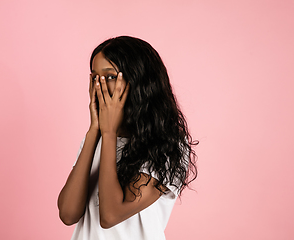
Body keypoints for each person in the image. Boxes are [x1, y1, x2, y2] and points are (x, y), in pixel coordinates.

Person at [57, 36, 198, 240]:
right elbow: (68, 214)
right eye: (95, 77)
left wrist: (108, 133)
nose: (100, 86)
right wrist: (94, 130)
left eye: (111, 77)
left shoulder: (168, 145)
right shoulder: (96, 138)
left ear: (138, 81)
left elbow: (111, 215)